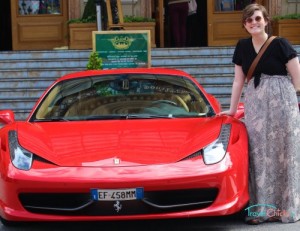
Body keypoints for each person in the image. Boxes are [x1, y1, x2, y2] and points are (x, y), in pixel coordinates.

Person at [220, 3, 300, 225]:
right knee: (259, 155)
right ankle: (260, 210)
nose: (253, 23)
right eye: (249, 20)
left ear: (266, 21)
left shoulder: (281, 44)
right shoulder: (242, 46)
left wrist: (288, 103)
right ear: (244, 25)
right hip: (255, 105)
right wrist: (234, 109)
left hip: (283, 104)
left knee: (285, 152)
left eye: (257, 18)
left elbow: (297, 77)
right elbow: (238, 80)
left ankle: (286, 209)